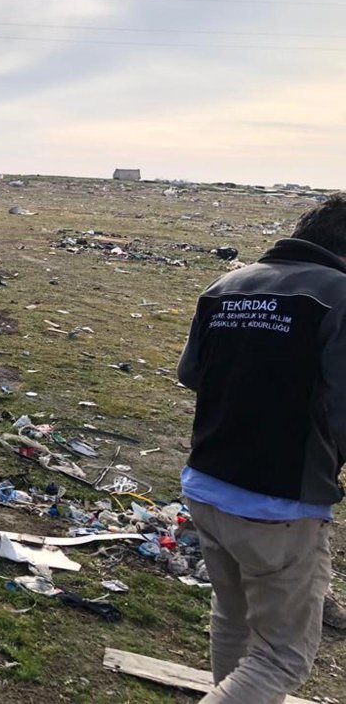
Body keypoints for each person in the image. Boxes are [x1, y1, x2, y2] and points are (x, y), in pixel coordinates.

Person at [178, 194, 346, 703]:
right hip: (279, 502)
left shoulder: (227, 286)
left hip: (207, 483)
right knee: (280, 656)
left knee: (234, 619)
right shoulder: (339, 297)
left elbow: (191, 373)